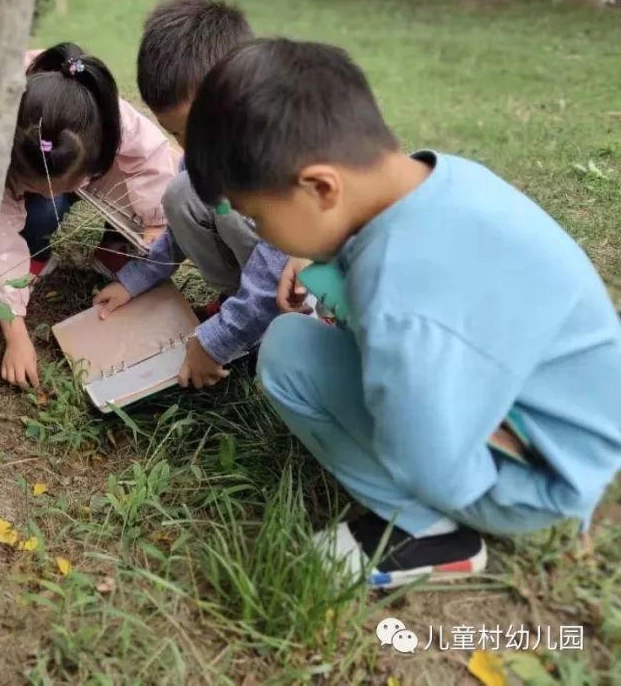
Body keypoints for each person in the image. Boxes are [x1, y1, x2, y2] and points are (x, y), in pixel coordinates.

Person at [184, 38, 621, 588]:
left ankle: (428, 533)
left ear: (321, 187)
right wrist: (316, 253)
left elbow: (423, 451)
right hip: (576, 422)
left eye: (257, 218)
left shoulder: (399, 301)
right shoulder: (439, 177)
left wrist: (388, 378)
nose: (259, 234)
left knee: (288, 354)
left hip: (535, 480)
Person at [94, 0, 299, 389]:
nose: (191, 147)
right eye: (176, 134)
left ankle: (263, 326)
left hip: (309, 290)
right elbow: (176, 230)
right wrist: (134, 280)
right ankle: (242, 310)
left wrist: (214, 343)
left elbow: (276, 266)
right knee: (183, 193)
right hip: (260, 274)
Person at [0, 44, 176, 388]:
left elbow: (151, 159)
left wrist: (154, 220)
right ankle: (35, 249)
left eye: (72, 184)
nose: (60, 193)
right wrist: (16, 335)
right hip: (33, 160)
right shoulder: (6, 133)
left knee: (146, 187)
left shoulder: (109, 120)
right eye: (38, 188)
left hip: (96, 157)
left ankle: (116, 242)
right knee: (44, 212)